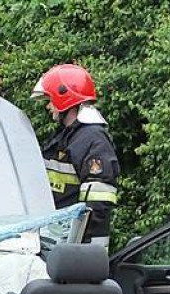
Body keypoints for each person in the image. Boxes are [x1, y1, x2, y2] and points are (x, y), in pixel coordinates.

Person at [32, 63, 119, 249]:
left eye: (50, 99)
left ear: (64, 98)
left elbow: (97, 204)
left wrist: (73, 244)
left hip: (81, 249)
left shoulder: (93, 140)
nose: (49, 106)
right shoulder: (69, 136)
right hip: (58, 241)